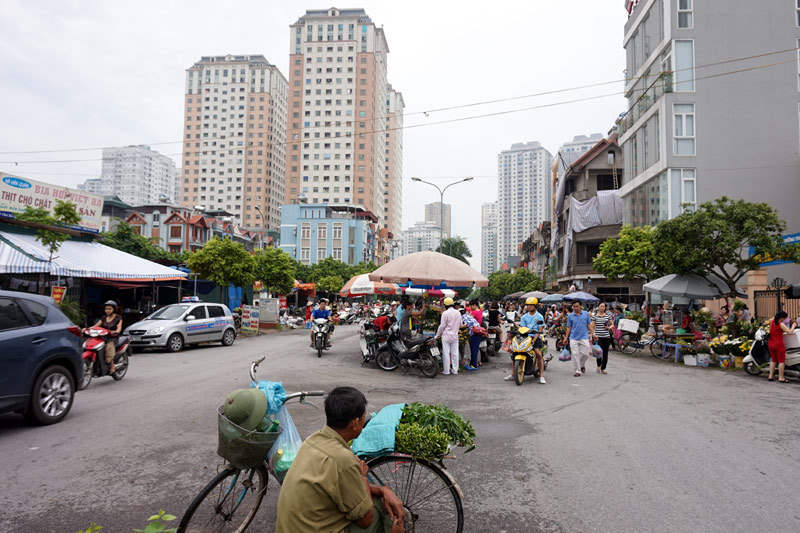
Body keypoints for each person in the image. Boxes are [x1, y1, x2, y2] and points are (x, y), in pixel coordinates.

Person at [276, 386, 404, 533]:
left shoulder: (312, 440)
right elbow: (365, 520)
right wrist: (363, 477)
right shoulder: (342, 459)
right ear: (355, 423)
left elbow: (338, 487)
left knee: (376, 498)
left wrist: (382, 490)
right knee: (390, 513)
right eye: (364, 416)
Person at [506, 297, 546, 384]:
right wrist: (515, 326)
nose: (529, 307)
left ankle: (541, 376)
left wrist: (534, 340)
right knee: (515, 352)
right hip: (525, 337)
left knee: (538, 354)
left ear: (535, 306)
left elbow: (540, 330)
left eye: (531, 305)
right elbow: (522, 328)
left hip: (535, 337)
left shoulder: (539, 316)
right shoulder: (524, 316)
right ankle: (513, 374)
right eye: (528, 305)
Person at [87, 300, 122, 374]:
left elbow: (119, 327)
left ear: (114, 309)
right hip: (103, 337)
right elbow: (96, 326)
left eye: (110, 309)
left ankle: (112, 365)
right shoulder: (103, 318)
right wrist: (87, 329)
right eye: (106, 309)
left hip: (113, 338)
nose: (108, 311)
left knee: (107, 348)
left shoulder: (118, 317)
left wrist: (116, 332)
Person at [563, 301, 594, 377]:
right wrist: (566, 338)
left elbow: (589, 325)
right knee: (575, 354)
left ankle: (582, 365)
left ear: (580, 306)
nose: (575, 308)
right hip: (573, 338)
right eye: (574, 306)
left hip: (584, 337)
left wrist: (593, 334)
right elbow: (569, 327)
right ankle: (577, 370)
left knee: (585, 354)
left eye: (577, 306)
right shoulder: (570, 316)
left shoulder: (586, 314)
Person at [768, 310, 797, 383]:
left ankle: (770, 376)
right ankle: (781, 377)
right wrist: (793, 326)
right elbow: (790, 332)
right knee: (781, 361)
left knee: (773, 360)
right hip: (779, 344)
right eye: (785, 318)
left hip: (771, 343)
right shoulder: (781, 324)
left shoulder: (771, 322)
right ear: (782, 318)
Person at [435, 298, 462, 375]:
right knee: (455, 353)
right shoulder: (458, 313)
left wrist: (437, 334)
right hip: (455, 336)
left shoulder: (445, 313)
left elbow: (442, 326)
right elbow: (460, 324)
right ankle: (455, 370)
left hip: (446, 336)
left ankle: (446, 371)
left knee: (446, 353)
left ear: (445, 305)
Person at [592, 302, 614, 374]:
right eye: (601, 306)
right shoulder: (594, 316)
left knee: (605, 353)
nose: (602, 308)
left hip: (606, 336)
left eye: (604, 307)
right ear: (598, 307)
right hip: (598, 337)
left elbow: (612, 325)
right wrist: (593, 335)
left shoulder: (608, 316)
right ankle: (598, 364)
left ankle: (603, 368)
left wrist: (609, 327)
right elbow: (592, 327)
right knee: (599, 351)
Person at [461, 305, 481, 371]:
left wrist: (457, 327)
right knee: (474, 349)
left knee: (474, 350)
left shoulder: (464, 317)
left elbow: (467, 324)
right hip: (477, 333)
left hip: (475, 334)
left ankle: (474, 365)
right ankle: (473, 364)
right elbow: (469, 327)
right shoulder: (468, 316)